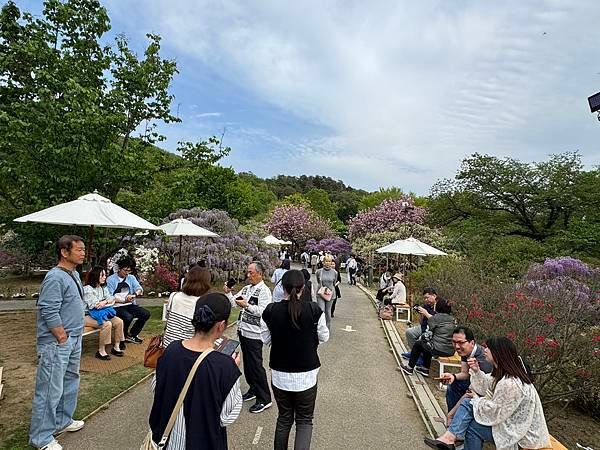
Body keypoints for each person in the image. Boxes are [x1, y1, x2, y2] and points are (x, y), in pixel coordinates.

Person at [149, 293, 243, 449]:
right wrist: (233, 369)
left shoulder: (171, 350)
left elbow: (156, 387)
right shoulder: (225, 366)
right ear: (221, 325)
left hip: (166, 440)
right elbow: (226, 417)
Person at [424, 337, 550, 450]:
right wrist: (476, 371)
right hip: (511, 423)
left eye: (488, 348)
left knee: (472, 424)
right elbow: (486, 386)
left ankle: (449, 438)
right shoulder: (504, 375)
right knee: (470, 405)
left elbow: (497, 412)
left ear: (497, 353)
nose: (484, 349)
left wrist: (476, 400)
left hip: (522, 432)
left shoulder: (511, 383)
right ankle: (449, 438)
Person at [261, 270, 330, 450]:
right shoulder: (314, 310)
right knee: (304, 421)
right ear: (303, 288)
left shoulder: (270, 310)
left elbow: (265, 339)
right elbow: (324, 337)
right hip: (307, 375)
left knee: (284, 418)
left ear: (282, 287)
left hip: (279, 374)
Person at [29, 236, 86, 450]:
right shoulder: (54, 277)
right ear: (64, 252)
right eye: (78, 250)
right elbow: (48, 309)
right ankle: (41, 438)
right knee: (49, 389)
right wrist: (61, 336)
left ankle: (63, 420)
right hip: (57, 342)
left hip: (73, 338)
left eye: (83, 249)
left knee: (70, 380)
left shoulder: (74, 275)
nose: (82, 253)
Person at [223, 261, 273, 413]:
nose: (248, 275)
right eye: (248, 272)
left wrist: (247, 306)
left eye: (251, 272)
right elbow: (234, 303)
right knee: (248, 365)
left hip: (255, 333)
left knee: (256, 366)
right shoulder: (246, 289)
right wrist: (228, 293)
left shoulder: (264, 291)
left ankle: (265, 398)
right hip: (243, 331)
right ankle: (253, 388)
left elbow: (264, 311)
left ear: (260, 273)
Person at [438, 327, 494, 414]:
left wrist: (451, 414)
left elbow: (481, 388)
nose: (457, 346)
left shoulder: (483, 359)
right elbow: (465, 373)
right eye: (454, 342)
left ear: (472, 342)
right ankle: (453, 421)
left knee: (465, 400)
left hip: (486, 393)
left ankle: (454, 419)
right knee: (453, 385)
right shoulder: (466, 351)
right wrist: (453, 376)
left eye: (460, 342)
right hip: (474, 384)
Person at [400, 298, 455, 377]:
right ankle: (425, 369)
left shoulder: (435, 318)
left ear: (438, 307)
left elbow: (429, 332)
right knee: (427, 345)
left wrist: (422, 338)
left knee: (419, 344)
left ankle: (409, 368)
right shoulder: (452, 319)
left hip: (439, 350)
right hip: (450, 350)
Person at [83, 266, 125, 360]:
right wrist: (106, 302)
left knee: (119, 321)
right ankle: (101, 350)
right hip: (87, 316)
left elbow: (112, 298)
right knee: (106, 324)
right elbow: (94, 305)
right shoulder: (87, 289)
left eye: (105, 275)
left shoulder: (102, 288)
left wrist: (105, 302)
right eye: (102, 275)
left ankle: (116, 347)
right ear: (95, 276)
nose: (104, 277)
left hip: (101, 313)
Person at [163, 266, 212, 348]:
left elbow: (167, 316)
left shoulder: (174, 296)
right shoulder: (202, 303)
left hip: (168, 345)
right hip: (187, 348)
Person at [106, 256, 151, 344]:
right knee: (128, 317)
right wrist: (124, 300)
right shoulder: (111, 279)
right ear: (119, 269)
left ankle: (133, 335)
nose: (127, 273)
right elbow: (109, 297)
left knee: (145, 314)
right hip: (116, 306)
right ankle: (123, 336)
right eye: (125, 270)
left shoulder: (131, 278)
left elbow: (139, 289)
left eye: (129, 271)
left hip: (129, 304)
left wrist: (134, 294)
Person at [403, 287, 438, 356]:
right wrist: (419, 312)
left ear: (434, 296)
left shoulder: (440, 305)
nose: (426, 300)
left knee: (422, 339)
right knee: (409, 332)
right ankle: (415, 353)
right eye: (424, 298)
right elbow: (422, 320)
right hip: (424, 326)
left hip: (434, 330)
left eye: (427, 297)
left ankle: (422, 357)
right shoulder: (427, 305)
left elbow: (438, 321)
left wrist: (426, 313)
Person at [315, 255, 339, 330]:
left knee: (328, 312)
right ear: (323, 262)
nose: (328, 263)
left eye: (329, 261)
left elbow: (334, 283)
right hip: (321, 293)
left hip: (330, 294)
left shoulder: (335, 272)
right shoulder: (319, 271)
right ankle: (320, 327)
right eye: (326, 261)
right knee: (321, 310)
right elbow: (318, 281)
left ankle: (327, 328)